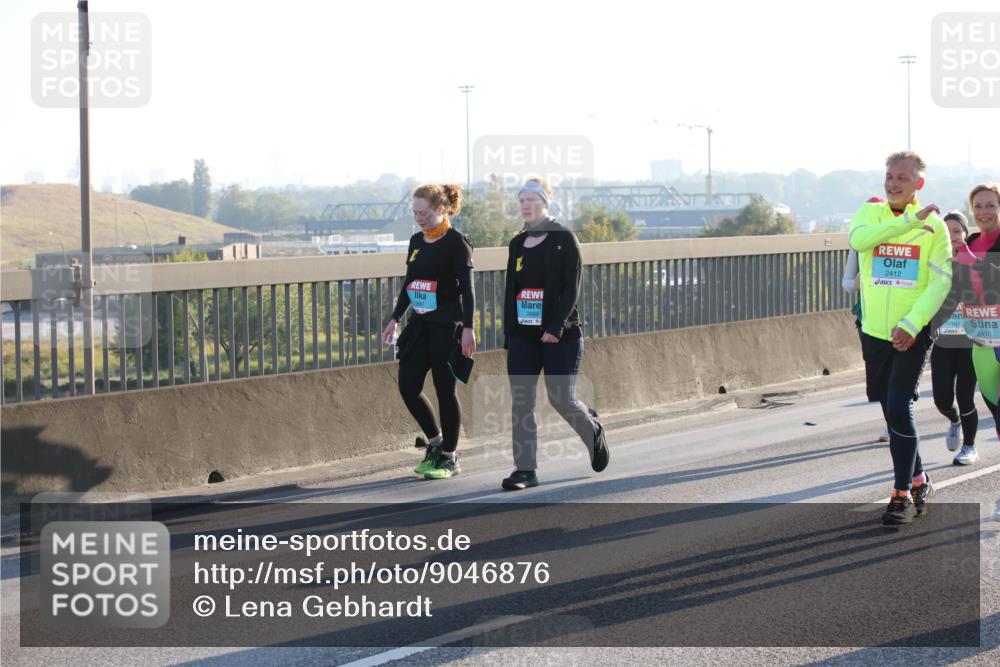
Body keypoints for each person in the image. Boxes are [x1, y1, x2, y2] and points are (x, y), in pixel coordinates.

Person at [848, 151, 949, 526]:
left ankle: (901, 493)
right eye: (889, 176)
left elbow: (940, 282)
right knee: (888, 408)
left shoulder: (936, 228)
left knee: (898, 404)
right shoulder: (870, 212)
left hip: (911, 333)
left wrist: (912, 323)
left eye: (902, 178)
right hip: (874, 331)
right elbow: (860, 241)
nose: (892, 183)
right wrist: (908, 222)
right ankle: (921, 479)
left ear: (918, 184)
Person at [500, 178, 609, 491]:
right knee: (522, 402)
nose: (526, 205)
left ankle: (593, 432)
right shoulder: (517, 243)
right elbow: (512, 291)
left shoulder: (564, 238)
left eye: (532, 199)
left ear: (546, 202)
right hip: (523, 334)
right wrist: (509, 334)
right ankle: (525, 470)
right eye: (522, 200)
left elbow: (570, 288)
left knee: (561, 398)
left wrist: (555, 326)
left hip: (561, 334)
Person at [382, 184, 476, 480]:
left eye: (423, 213)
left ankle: (450, 457)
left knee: (445, 391)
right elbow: (411, 284)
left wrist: (469, 329)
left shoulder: (457, 243)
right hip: (420, 325)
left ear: (441, 209)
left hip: (447, 326)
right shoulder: (416, 242)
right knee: (408, 386)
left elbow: (469, 292)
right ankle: (435, 444)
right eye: (415, 212)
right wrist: (395, 318)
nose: (418, 218)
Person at [943, 183, 1000, 465]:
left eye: (990, 205)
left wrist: (973, 261)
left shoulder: (973, 251)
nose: (984, 211)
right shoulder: (972, 242)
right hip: (981, 345)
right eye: (978, 206)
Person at [929, 211, 980, 462]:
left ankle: (969, 446)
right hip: (944, 339)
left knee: (965, 395)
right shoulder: (934, 262)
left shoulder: (975, 262)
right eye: (947, 232)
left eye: (958, 232)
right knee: (942, 399)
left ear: (966, 235)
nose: (953, 236)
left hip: (970, 340)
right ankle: (954, 420)